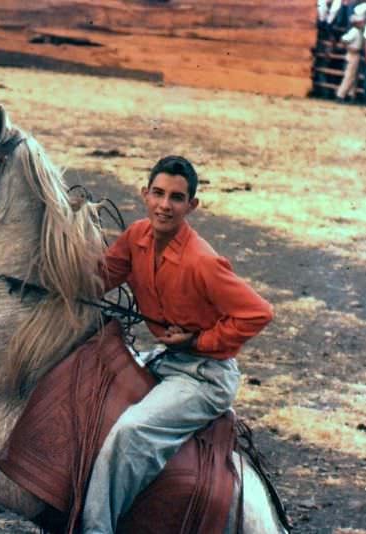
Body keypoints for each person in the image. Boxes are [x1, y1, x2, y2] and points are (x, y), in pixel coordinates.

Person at [82, 155, 274, 533]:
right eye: (157, 193)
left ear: (192, 206)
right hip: (166, 360)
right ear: (144, 194)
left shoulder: (202, 261)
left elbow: (258, 312)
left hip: (204, 377)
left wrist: (200, 340)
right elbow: (96, 280)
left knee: (130, 432)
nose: (164, 205)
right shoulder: (136, 237)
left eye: (176, 198)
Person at [336, 14, 366, 102]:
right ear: (357, 23)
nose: (363, 23)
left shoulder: (358, 31)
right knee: (349, 76)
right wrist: (347, 47)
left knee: (353, 76)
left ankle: (350, 95)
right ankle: (340, 95)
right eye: (361, 22)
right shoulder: (354, 31)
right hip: (353, 54)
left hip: (356, 54)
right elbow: (344, 39)